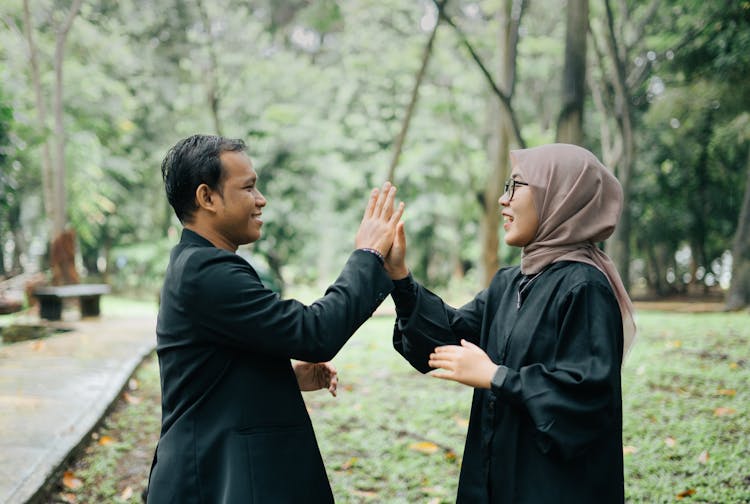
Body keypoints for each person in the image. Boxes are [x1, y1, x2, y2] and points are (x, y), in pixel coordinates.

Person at [145, 134, 404, 503]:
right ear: (207, 197)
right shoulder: (206, 270)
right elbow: (314, 333)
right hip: (210, 482)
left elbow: (210, 370)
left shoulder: (196, 263)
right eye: (248, 187)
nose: (261, 199)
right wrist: (368, 254)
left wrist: (282, 377)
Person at [384, 143, 636, 503]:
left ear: (560, 196)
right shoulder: (509, 283)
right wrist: (400, 278)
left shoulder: (585, 286)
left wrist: (496, 377)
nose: (503, 200)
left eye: (516, 185)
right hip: (495, 476)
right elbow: (447, 339)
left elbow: (588, 397)